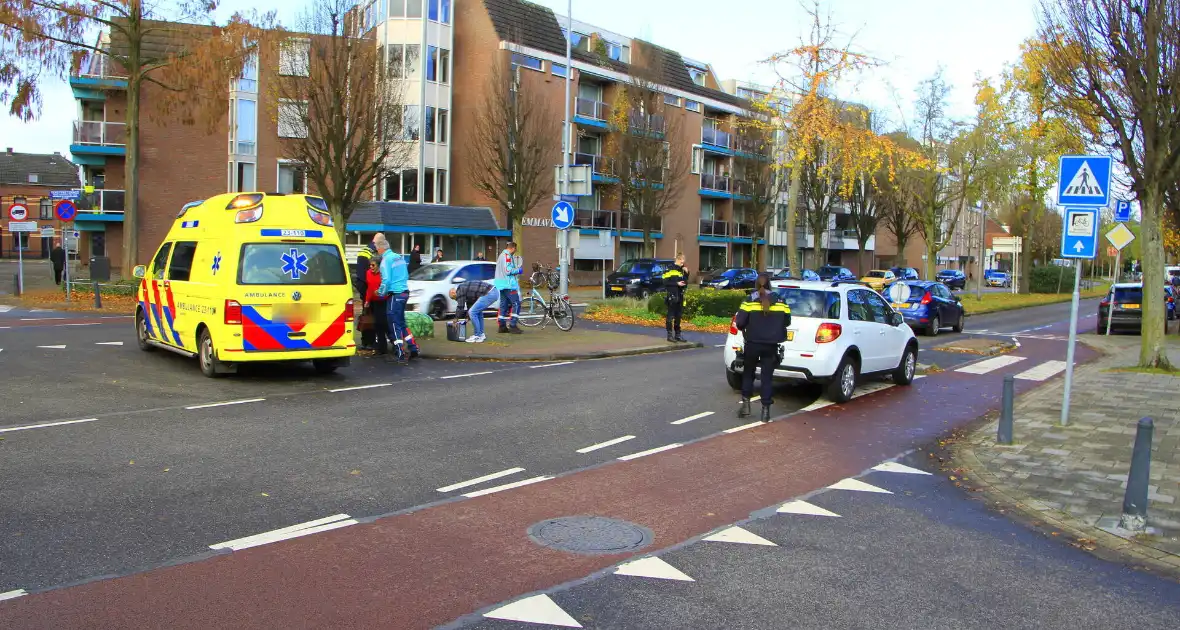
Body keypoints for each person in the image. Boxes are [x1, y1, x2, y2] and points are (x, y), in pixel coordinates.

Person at [735, 274, 791, 422]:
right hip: (771, 345)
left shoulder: (749, 300)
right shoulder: (780, 301)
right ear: (769, 284)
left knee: (748, 374)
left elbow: (739, 323)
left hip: (752, 343)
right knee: (767, 378)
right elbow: (787, 321)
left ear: (755, 284)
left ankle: (746, 407)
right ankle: (765, 412)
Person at [378, 240, 419, 364]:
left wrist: (380, 292)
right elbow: (405, 274)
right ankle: (413, 347)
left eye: (376, 247)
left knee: (394, 324)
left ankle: (400, 352)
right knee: (401, 322)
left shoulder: (386, 261)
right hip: (404, 292)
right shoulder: (399, 258)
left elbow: (386, 280)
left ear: (381, 249)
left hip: (394, 294)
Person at [494, 242, 524, 334]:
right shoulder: (507, 256)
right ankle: (513, 325)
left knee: (503, 305)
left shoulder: (500, 256)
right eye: (515, 249)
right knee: (516, 304)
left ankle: (502, 326)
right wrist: (518, 270)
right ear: (513, 248)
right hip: (509, 285)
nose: (515, 251)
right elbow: (508, 271)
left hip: (501, 284)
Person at [662, 253, 689, 342]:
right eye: (682, 260)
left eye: (684, 260)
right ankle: (669, 336)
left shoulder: (682, 270)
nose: (683, 262)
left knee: (678, 316)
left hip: (680, 296)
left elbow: (685, 283)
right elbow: (665, 282)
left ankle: (678, 335)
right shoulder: (669, 269)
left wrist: (686, 274)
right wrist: (676, 284)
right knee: (670, 316)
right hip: (672, 295)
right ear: (678, 259)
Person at [364, 257, 389, 354]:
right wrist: (367, 300)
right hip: (374, 301)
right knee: (377, 324)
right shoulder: (368, 273)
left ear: (378, 266)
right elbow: (369, 288)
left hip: (383, 300)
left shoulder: (383, 274)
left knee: (383, 323)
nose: (371, 267)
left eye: (373, 265)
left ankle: (394, 344)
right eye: (370, 265)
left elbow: (387, 286)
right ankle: (381, 348)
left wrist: (381, 292)